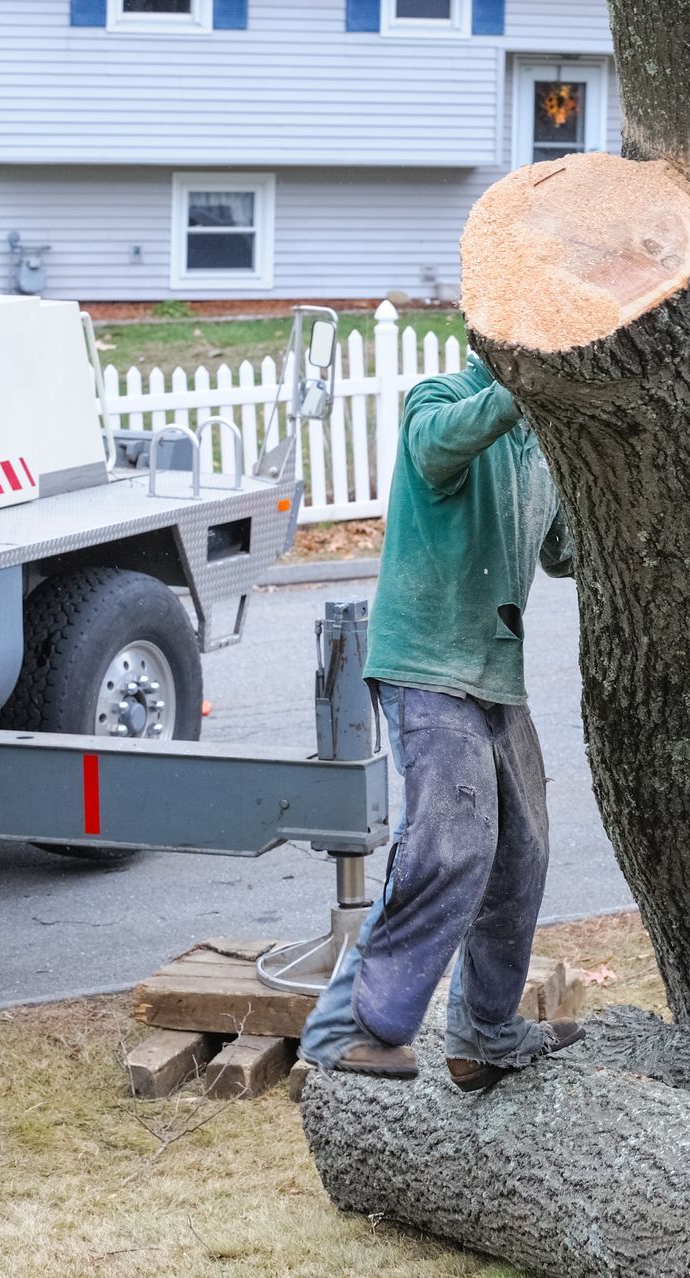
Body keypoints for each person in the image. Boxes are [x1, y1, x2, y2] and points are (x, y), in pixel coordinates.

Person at [298, 355, 581, 1092]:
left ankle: (484, 1034)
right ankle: (350, 1026)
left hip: (493, 673)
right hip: (426, 662)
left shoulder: (543, 441)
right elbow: (438, 443)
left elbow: (565, 550)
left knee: (523, 850)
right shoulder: (443, 399)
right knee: (451, 844)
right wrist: (519, 392)